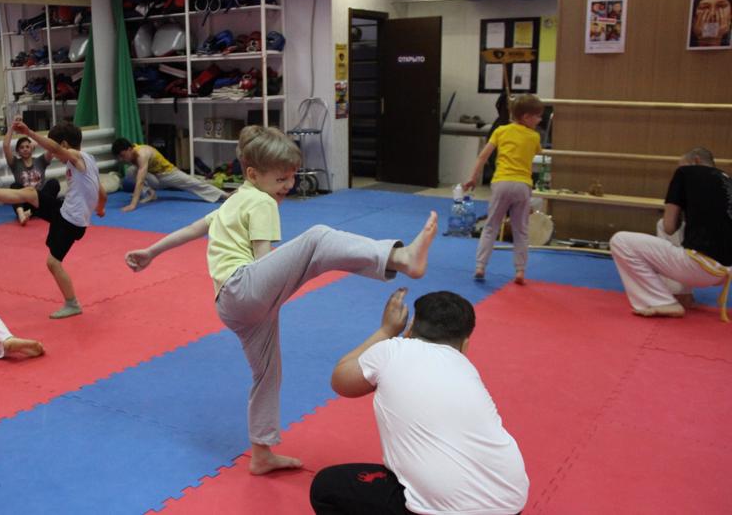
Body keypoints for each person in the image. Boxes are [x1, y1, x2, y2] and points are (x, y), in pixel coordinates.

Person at [124, 125, 438, 475]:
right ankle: (399, 258)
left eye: (291, 177)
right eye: (281, 179)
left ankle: (261, 453)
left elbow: (192, 229)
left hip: (232, 305)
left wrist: (151, 252)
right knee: (318, 238)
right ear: (253, 174)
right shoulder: (261, 202)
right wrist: (287, 275)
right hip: (246, 289)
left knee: (267, 374)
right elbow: (263, 262)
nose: (288, 185)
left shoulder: (236, 199)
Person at [310, 288, 529, 515]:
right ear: (465, 345)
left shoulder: (392, 351)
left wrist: (386, 330)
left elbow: (341, 381)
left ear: (411, 327)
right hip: (511, 503)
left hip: (441, 510)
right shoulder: (466, 369)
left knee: (326, 487)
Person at [0, 119, 106, 319]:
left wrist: (29, 132)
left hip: (70, 222)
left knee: (53, 263)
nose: (54, 155)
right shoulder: (90, 160)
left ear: (64, 145)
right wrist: (100, 208)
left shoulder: (76, 157)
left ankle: (72, 304)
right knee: (30, 193)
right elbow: (102, 192)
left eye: (55, 150)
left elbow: (56, 148)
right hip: (64, 212)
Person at [610, 147, 732, 320]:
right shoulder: (728, 181)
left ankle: (661, 301)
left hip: (703, 268)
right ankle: (682, 294)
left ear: (696, 161)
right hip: (726, 272)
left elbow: (669, 227)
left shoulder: (685, 172)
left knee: (620, 241)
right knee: (666, 225)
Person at [464, 94, 544, 284]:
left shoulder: (500, 131)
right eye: (537, 116)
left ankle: (480, 266)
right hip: (523, 185)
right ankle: (520, 270)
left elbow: (483, 156)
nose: (540, 120)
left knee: (491, 226)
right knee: (521, 229)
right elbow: (536, 154)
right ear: (526, 117)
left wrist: (472, 177)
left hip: (501, 183)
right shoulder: (534, 136)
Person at [112, 137, 229, 212]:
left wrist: (133, 205)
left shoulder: (142, 153)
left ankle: (225, 195)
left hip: (168, 173)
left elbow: (140, 181)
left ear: (129, 149)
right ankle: (151, 194)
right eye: (119, 157)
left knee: (193, 183)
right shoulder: (131, 154)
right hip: (155, 177)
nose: (122, 159)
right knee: (131, 171)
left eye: (123, 155)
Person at [2, 118, 56, 225]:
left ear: (32, 148)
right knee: (14, 186)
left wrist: (32, 136)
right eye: (22, 147)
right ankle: (22, 215)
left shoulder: (41, 161)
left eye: (27, 146)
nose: (25, 149)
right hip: (24, 203)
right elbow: (5, 146)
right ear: (18, 151)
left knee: (54, 183)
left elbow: (51, 148)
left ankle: (32, 212)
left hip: (39, 201)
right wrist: (12, 127)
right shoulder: (15, 163)